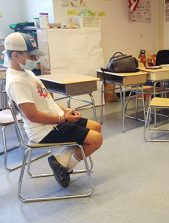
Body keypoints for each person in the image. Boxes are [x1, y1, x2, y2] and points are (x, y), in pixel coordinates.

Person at [4, 32, 103, 188]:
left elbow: (46, 100)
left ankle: (61, 160)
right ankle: (65, 166)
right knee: (96, 140)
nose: (36, 59)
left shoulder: (27, 73)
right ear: (16, 55)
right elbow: (33, 116)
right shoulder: (16, 82)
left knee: (96, 127)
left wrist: (65, 111)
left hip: (55, 121)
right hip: (44, 131)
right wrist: (63, 119)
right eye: (31, 56)